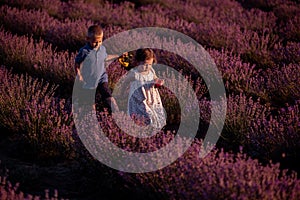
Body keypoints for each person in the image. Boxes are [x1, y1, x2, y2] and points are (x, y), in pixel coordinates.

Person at [74, 24, 119, 112]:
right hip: (89, 81)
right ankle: (91, 118)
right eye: (95, 42)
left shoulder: (102, 49)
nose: (97, 44)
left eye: (100, 41)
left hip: (102, 78)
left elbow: (105, 57)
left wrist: (117, 56)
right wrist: (79, 75)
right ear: (88, 39)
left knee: (109, 97)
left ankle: (118, 113)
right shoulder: (84, 51)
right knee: (90, 104)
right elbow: (77, 63)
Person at [121, 48, 166, 129]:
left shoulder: (151, 71)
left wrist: (158, 81)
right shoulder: (134, 74)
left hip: (151, 97)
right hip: (139, 99)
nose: (147, 67)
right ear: (137, 62)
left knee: (154, 112)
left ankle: (154, 129)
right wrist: (122, 93)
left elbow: (155, 78)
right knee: (144, 114)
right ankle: (143, 129)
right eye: (145, 64)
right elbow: (125, 83)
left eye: (150, 64)